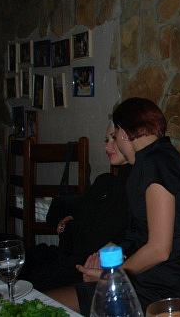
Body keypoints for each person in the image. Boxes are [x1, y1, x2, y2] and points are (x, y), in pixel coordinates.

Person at [47, 97, 180, 315]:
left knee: (46, 305)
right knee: (48, 302)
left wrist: (112, 275)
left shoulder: (157, 163)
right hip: (152, 278)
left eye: (115, 136)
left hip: (169, 285)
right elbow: (140, 234)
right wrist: (108, 260)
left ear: (122, 132)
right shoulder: (153, 160)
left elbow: (159, 250)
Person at [20, 122, 131, 291]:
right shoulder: (105, 181)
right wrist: (72, 220)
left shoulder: (129, 189)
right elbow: (80, 218)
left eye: (113, 138)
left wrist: (70, 228)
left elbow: (86, 240)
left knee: (31, 280)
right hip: (68, 256)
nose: (106, 146)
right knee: (21, 259)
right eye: (106, 140)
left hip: (81, 266)